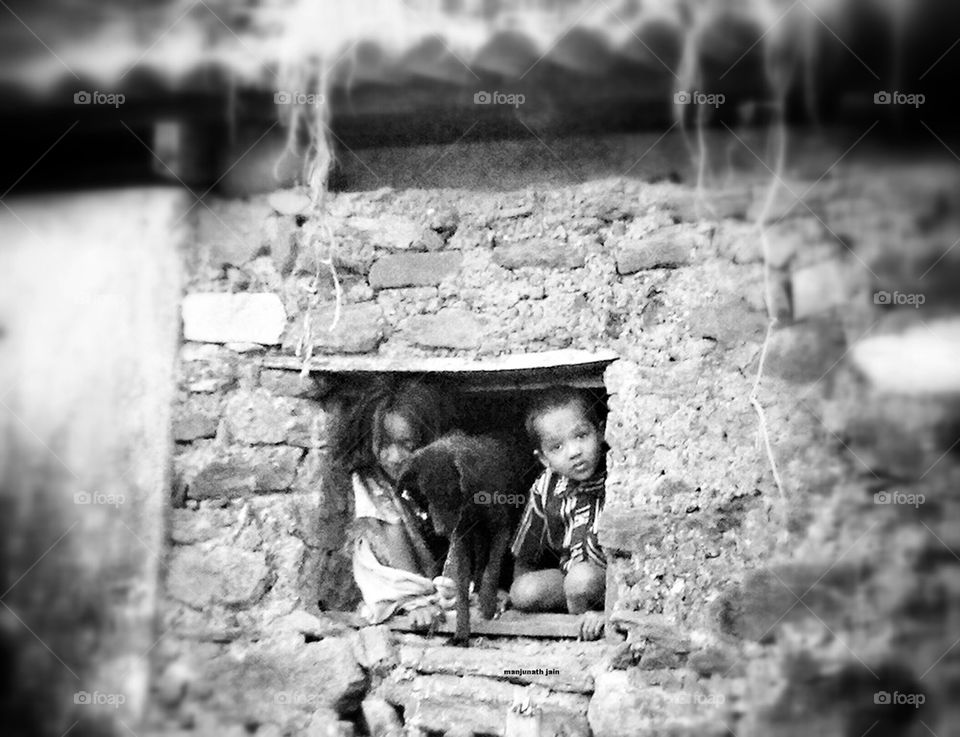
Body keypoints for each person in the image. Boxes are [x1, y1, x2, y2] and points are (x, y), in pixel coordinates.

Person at [332, 378, 458, 626]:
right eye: (384, 445)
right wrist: (415, 602)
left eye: (407, 445)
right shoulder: (370, 482)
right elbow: (394, 532)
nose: (395, 457)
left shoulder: (443, 470)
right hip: (403, 575)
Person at [509, 385, 607, 640]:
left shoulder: (619, 477)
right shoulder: (546, 487)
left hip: (609, 581)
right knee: (523, 591)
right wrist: (514, 596)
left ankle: (591, 623)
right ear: (543, 458)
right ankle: (578, 609)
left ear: (601, 431)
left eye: (581, 436)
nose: (574, 452)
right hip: (568, 577)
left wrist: (616, 607)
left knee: (581, 580)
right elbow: (527, 553)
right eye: (557, 447)